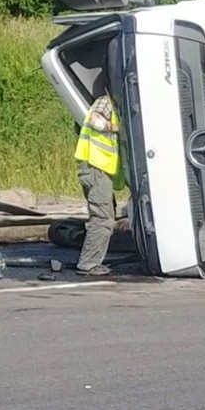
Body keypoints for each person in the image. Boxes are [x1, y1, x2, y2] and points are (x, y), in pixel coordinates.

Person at [73, 91, 122, 276]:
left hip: (98, 168)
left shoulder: (111, 105)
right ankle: (88, 263)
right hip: (96, 167)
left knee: (105, 216)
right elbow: (96, 120)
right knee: (102, 218)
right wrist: (119, 128)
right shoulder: (105, 101)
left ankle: (92, 261)